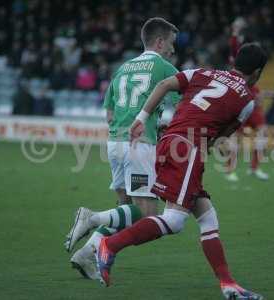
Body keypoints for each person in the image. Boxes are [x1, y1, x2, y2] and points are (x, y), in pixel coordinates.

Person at [96, 43, 267, 300]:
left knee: (208, 217)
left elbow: (164, 85)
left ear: (234, 62)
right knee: (174, 221)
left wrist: (141, 119)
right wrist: (221, 150)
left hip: (170, 142)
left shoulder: (202, 73)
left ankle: (229, 285)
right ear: (257, 72)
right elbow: (220, 137)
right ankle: (109, 245)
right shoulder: (247, 101)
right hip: (188, 148)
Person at [64, 17, 181, 279]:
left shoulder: (123, 68)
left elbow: (109, 113)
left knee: (124, 209)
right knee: (146, 215)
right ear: (160, 42)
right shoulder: (163, 67)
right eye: (171, 44)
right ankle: (90, 217)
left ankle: (86, 254)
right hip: (139, 146)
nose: (173, 50)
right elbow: (186, 100)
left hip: (114, 143)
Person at [224, 20, 269, 182]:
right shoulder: (239, 55)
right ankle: (230, 170)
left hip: (253, 99)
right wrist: (235, 30)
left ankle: (255, 168)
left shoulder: (258, 61)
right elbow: (233, 44)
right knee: (235, 136)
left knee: (262, 131)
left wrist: (258, 93)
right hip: (239, 98)